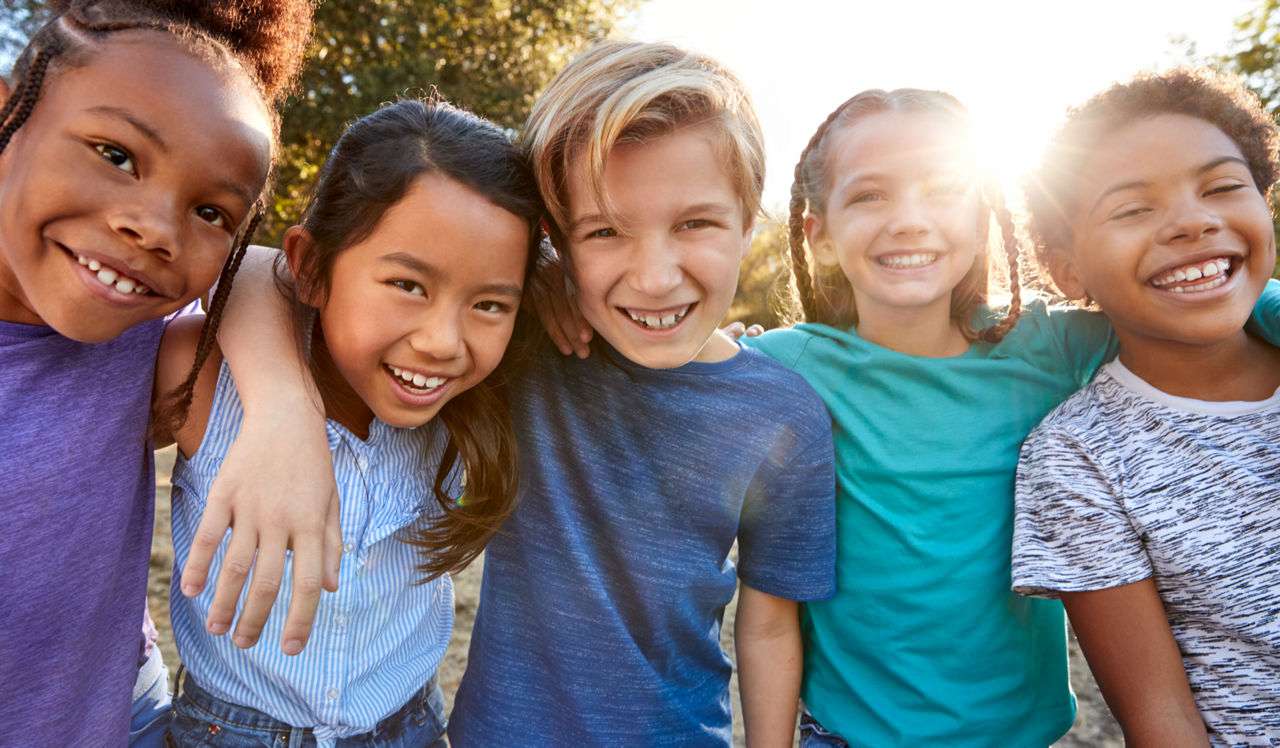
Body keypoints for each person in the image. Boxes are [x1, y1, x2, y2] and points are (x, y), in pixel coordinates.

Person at [742, 86, 1280, 746]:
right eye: (870, 195)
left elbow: (1197, 290)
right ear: (818, 235)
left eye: (943, 188)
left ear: (982, 217)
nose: (909, 219)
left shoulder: (1044, 345)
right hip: (850, 736)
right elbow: (671, 362)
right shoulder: (785, 368)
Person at [0, 2, 339, 745]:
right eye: (115, 154)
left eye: (211, 211)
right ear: (8, 114)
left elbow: (257, 276)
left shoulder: (135, 344)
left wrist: (286, 409)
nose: (154, 228)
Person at [158, 97, 542, 746]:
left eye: (488, 303)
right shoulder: (204, 379)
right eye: (409, 286)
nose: (443, 341)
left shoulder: (478, 404)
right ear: (311, 266)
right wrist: (282, 408)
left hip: (409, 729)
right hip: (230, 730)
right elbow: (243, 263)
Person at [1013, 68, 1280, 746]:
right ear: (1067, 268)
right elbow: (1162, 718)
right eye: (1134, 209)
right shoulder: (1075, 455)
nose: (1194, 220)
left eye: (1222, 186)